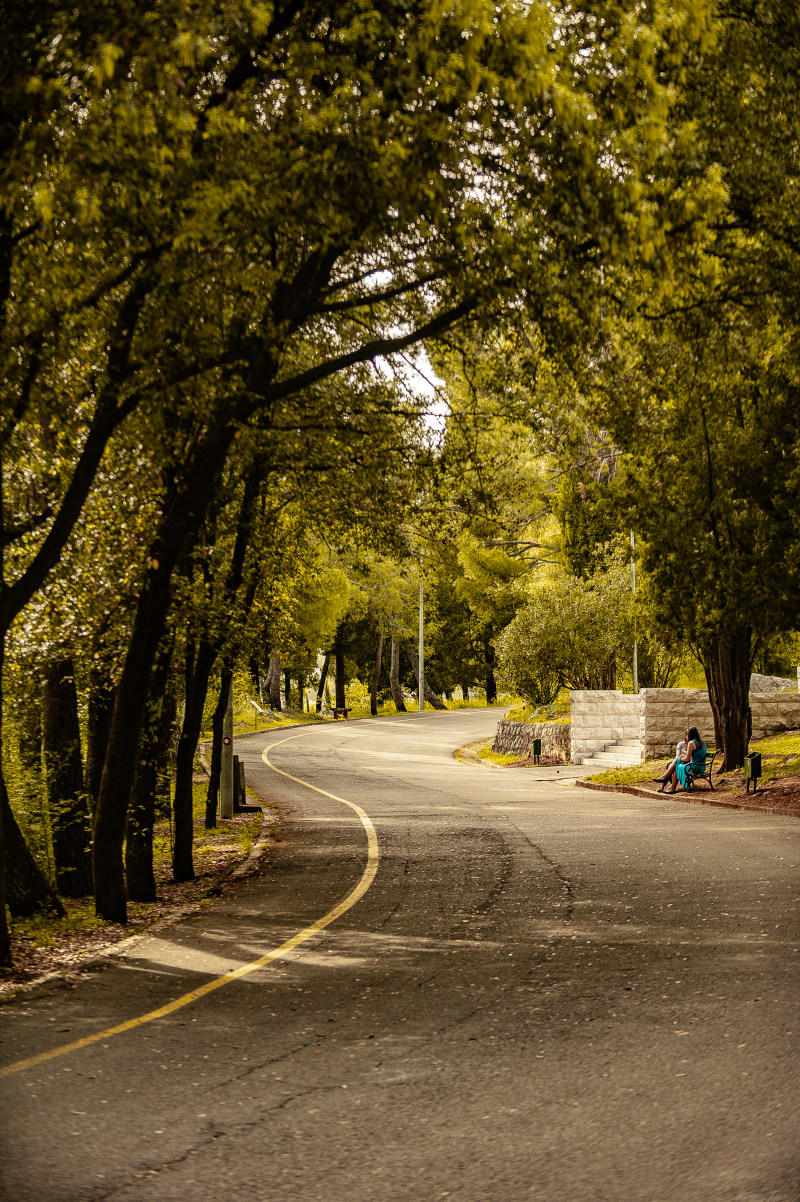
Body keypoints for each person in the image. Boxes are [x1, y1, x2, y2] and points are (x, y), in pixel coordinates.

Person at [659, 727, 706, 794]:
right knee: (677, 762)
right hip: (702, 767)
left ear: (690, 734)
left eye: (687, 734)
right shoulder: (702, 742)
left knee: (677, 764)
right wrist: (683, 757)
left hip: (694, 767)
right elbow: (693, 756)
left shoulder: (691, 743)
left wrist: (681, 758)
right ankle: (667, 781)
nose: (686, 736)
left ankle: (668, 783)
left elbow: (687, 759)